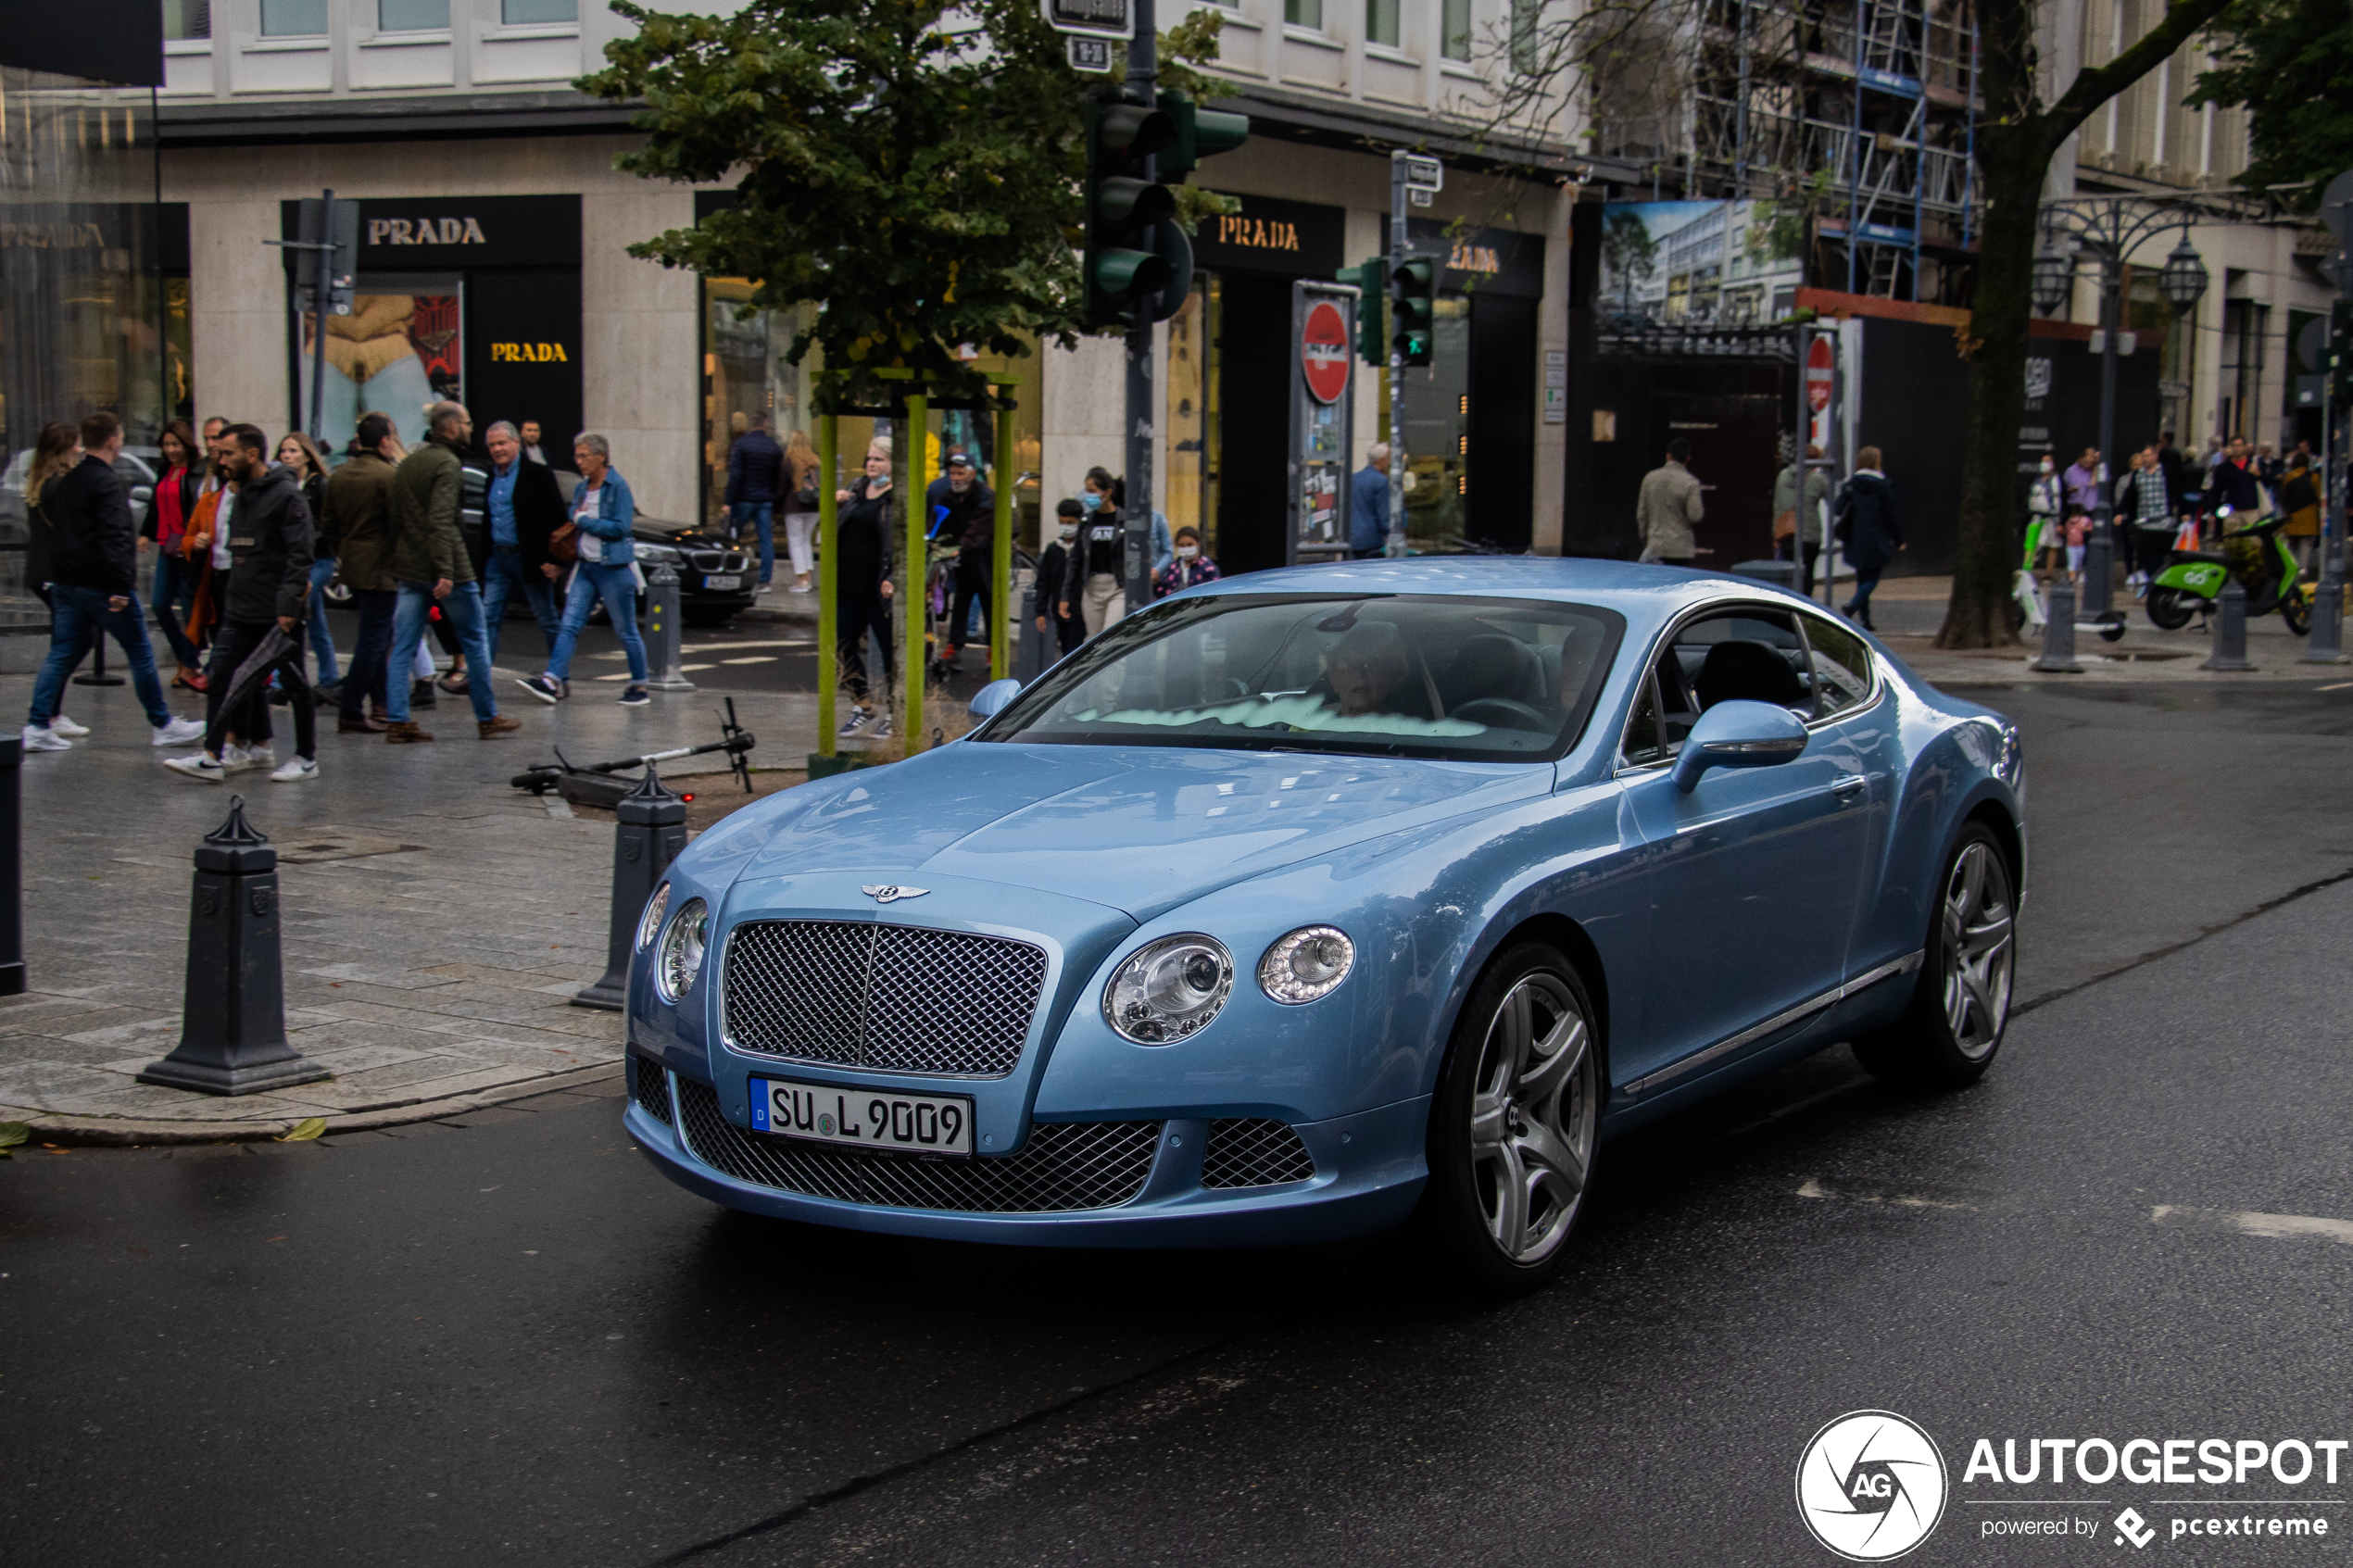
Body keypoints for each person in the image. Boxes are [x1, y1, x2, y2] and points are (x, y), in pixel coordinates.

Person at [22, 412, 207, 755]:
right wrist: (121, 587)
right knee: (139, 651)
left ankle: (37, 725)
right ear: (112, 441)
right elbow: (116, 537)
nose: (121, 441)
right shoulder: (105, 482)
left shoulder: (69, 480)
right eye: (120, 435)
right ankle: (163, 724)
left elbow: (60, 535)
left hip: (67, 583)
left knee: (61, 652)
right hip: (102, 586)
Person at [163, 424, 322, 783]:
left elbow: (301, 554)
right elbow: (238, 554)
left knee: (295, 683)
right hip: (240, 608)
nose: (221, 461)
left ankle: (306, 756)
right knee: (219, 674)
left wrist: (288, 604)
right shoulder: (240, 494)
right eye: (219, 453)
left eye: (228, 453)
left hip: (277, 612)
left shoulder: (286, 496)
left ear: (252, 454)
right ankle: (211, 756)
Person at [382, 401, 522, 741]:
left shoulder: (409, 462)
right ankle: (487, 716)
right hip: (450, 570)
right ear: (452, 427)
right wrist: (444, 570)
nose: (471, 429)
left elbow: (396, 518)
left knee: (403, 646)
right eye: (467, 423)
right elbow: (442, 519)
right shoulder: (447, 463)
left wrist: (402, 561)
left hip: (412, 569)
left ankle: (398, 720)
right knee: (475, 639)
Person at [517, 432, 648, 709]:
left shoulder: (618, 487)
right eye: (577, 456)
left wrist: (586, 521)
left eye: (584, 456)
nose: (578, 462)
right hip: (585, 567)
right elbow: (573, 524)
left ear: (602, 456)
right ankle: (551, 680)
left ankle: (639, 684)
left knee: (626, 630)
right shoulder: (581, 489)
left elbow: (621, 527)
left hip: (614, 568)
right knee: (569, 625)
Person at [325, 413, 401, 734]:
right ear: (384, 441)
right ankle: (352, 707)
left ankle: (381, 703)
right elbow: (399, 524)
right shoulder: (387, 476)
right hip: (382, 567)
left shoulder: (339, 475)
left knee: (380, 635)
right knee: (374, 640)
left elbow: (328, 525)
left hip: (354, 563)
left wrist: (345, 551)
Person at [479, 419, 565, 659]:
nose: (497, 449)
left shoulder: (537, 474)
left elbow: (557, 518)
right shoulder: (491, 477)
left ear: (516, 442)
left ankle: (559, 676)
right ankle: (481, 677)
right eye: (492, 445)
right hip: (498, 559)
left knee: (546, 618)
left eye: (502, 443)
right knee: (488, 618)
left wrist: (554, 560)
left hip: (530, 559)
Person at [833, 438, 897, 738]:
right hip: (848, 586)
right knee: (843, 644)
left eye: (880, 459)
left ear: (893, 464)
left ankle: (896, 712)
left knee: (890, 652)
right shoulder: (856, 491)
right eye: (870, 458)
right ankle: (863, 705)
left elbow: (901, 544)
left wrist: (893, 578)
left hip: (879, 590)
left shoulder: (897, 498)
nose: (872, 464)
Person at [273, 431, 338, 699]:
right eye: (284, 451)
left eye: (293, 451)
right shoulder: (281, 485)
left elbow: (328, 522)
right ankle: (330, 678)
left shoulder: (319, 484)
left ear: (307, 455)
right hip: (294, 560)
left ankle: (280, 681)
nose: (287, 456)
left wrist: (309, 537)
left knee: (294, 608)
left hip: (320, 558)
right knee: (316, 621)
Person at [144, 420, 208, 689]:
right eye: (167, 444)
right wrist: (145, 532)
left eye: (175, 444)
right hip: (166, 545)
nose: (171, 449)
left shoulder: (195, 472)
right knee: (159, 603)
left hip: (188, 546)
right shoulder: (164, 470)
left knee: (189, 605)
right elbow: (155, 505)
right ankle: (185, 655)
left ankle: (189, 665)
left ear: (186, 444)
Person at [933, 450, 997, 669]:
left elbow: (979, 528)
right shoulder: (948, 496)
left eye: (960, 473)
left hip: (986, 557)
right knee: (960, 600)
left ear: (971, 473)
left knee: (990, 601)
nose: (956, 478)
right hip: (961, 557)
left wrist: (957, 548)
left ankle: (993, 648)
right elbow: (937, 521)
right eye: (952, 473)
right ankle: (954, 646)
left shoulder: (985, 495)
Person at [1831, 445, 1902, 629]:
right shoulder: (1883, 488)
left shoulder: (1851, 485)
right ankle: (1852, 607)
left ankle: (1866, 621)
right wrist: (1899, 540)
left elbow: (1838, 509)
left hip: (1855, 538)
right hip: (1876, 539)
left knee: (1862, 578)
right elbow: (1891, 517)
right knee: (1871, 580)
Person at [1061, 466, 1128, 637]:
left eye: (1092, 491)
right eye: (1086, 490)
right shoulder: (1087, 521)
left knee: (1110, 635)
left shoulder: (1124, 520)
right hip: (1092, 587)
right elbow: (1076, 560)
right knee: (1094, 639)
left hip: (1118, 586)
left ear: (1107, 493)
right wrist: (1065, 595)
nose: (1087, 495)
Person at [724, 410, 786, 591]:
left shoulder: (741, 444)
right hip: (765, 500)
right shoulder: (773, 447)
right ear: (765, 425)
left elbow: (735, 476)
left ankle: (730, 574)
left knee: (733, 537)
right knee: (766, 540)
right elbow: (778, 478)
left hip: (744, 499)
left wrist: (728, 501)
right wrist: (774, 499)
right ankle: (764, 580)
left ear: (751, 424)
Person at [2114, 445, 2175, 593]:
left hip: (2162, 519)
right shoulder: (2138, 474)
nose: (2145, 459)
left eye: (2148, 456)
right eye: (2144, 456)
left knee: (2160, 553)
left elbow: (2175, 490)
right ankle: (2147, 581)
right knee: (2145, 552)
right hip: (2144, 520)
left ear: (2155, 456)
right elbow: (2129, 496)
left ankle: (2159, 581)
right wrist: (2120, 512)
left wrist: (2184, 511)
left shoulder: (2165, 472)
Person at [1636, 438, 1703, 568]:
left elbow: (1642, 514)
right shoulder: (1691, 483)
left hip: (1656, 546)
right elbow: (1695, 516)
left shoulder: (1650, 478)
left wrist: (1645, 538)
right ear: (1688, 458)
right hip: (1681, 549)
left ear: (1668, 456)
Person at [1774, 442, 1831, 592]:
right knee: (1807, 577)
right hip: (1809, 535)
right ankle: (1804, 610)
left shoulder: (1783, 475)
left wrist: (1775, 534)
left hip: (1786, 534)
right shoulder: (1817, 478)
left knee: (1788, 577)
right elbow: (1833, 501)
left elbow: (1778, 505)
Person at [1033, 499, 1085, 656]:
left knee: (1074, 651)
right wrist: (1040, 611)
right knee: (1066, 651)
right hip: (1060, 613)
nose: (1066, 526)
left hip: (1081, 611)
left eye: (1070, 522)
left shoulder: (1084, 548)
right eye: (1062, 522)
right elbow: (1044, 581)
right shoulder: (1053, 550)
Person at [778, 427, 820, 594]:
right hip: (814, 507)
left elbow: (782, 486)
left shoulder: (789, 461)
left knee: (796, 541)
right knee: (805, 541)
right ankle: (807, 577)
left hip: (794, 506)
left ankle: (802, 579)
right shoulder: (816, 461)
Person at [2280, 449, 2322, 573]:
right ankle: (2303, 567)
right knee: (2305, 542)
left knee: (2293, 543)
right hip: (2309, 513)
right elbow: (2318, 496)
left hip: (2292, 513)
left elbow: (2284, 494)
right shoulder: (2314, 477)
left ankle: (2293, 564)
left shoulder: (2288, 476)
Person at [2204, 434, 2264, 518]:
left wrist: (2258, 475)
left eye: (2239, 446)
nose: (2236, 449)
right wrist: (2213, 513)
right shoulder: (2223, 468)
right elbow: (2217, 491)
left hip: (2251, 510)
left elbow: (2267, 482)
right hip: (2232, 512)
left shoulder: (2254, 463)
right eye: (2233, 446)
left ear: (2244, 447)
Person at [1350, 444, 1391, 558]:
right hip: (1371, 542)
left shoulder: (1353, 478)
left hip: (1351, 541)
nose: (1389, 463)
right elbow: (1384, 514)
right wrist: (1390, 533)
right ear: (1382, 460)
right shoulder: (1381, 481)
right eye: (1388, 459)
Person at [1154, 526, 1220, 598]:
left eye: (1190, 545)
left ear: (1198, 544)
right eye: (1182, 545)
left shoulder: (1208, 568)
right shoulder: (1171, 568)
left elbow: (1215, 593)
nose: (1186, 548)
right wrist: (1155, 583)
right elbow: (1162, 594)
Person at [2024, 454, 2062, 574]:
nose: (2044, 464)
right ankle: (2027, 571)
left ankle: (2048, 574)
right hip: (2036, 517)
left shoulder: (2056, 480)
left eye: (2047, 461)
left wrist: (2058, 521)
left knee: (2052, 545)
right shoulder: (2036, 479)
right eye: (2042, 461)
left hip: (2050, 518)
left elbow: (2057, 501)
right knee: (2030, 543)